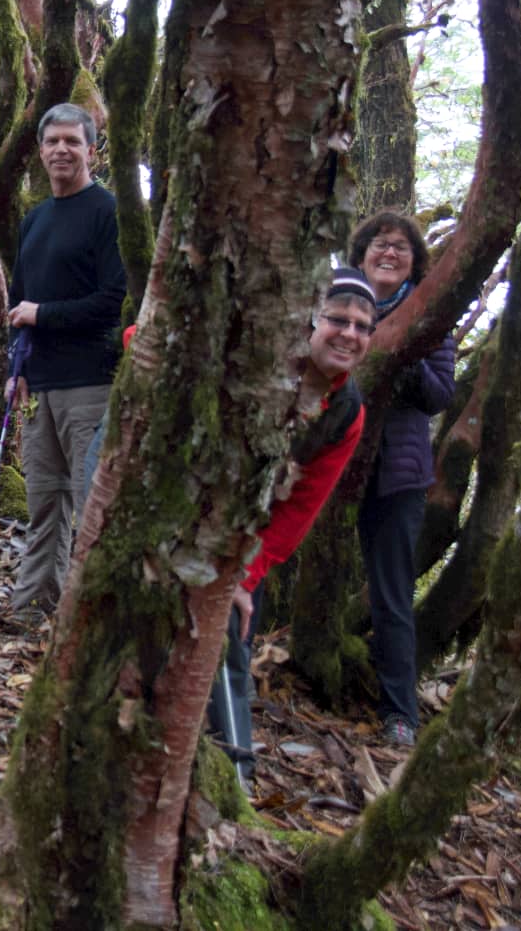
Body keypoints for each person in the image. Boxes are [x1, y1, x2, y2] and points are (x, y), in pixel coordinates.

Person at [205, 267, 376, 783]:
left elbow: (299, 510)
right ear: (310, 320)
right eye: (338, 320)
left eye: (363, 327)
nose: (350, 334)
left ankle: (234, 776)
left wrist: (243, 574)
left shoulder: (345, 411)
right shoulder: (259, 352)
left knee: (228, 633)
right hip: (176, 495)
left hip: (239, 531)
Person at [5, 103, 127, 618]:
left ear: (92, 152)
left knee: (94, 506)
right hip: (41, 387)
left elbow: (116, 301)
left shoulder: (108, 212)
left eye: (73, 142)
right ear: (40, 151)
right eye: (52, 141)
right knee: (45, 505)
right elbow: (18, 306)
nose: (61, 149)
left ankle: (91, 618)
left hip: (91, 383)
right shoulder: (34, 220)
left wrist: (44, 314)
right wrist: (17, 373)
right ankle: (34, 607)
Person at [349, 211, 456, 746]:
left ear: (415, 261)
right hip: (331, 462)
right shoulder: (340, 306)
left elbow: (440, 394)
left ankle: (399, 714)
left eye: (400, 248)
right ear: (361, 252)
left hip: (397, 470)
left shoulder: (430, 317)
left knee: (392, 594)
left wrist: (396, 355)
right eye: (378, 244)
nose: (388, 253)